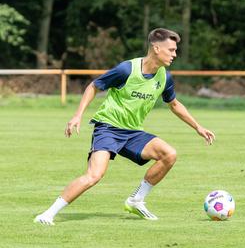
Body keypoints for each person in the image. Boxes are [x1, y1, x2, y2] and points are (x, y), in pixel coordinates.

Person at [34, 28, 215, 225]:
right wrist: (77, 115)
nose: (175, 54)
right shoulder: (126, 70)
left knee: (169, 155)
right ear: (156, 48)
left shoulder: (164, 77)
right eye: (171, 50)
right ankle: (47, 214)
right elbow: (94, 86)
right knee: (94, 175)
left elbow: (174, 104)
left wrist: (198, 127)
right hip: (108, 128)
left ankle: (136, 200)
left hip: (133, 132)